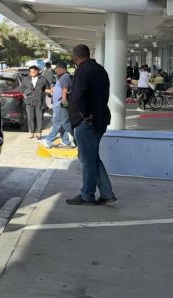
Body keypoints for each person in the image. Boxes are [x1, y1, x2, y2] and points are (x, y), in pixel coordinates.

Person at [65, 44, 116, 206]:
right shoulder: (100, 69)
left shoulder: (82, 70)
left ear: (75, 58)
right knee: (93, 158)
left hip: (87, 122)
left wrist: (84, 115)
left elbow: (78, 96)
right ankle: (107, 193)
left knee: (87, 160)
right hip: (100, 119)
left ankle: (87, 195)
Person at [43, 62, 74, 149]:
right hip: (57, 102)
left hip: (60, 103)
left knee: (57, 122)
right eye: (56, 69)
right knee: (60, 123)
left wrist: (64, 100)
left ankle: (49, 140)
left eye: (60, 69)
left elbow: (65, 89)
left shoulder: (65, 76)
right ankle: (66, 141)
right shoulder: (60, 77)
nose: (57, 70)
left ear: (64, 69)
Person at [21, 65, 50, 139]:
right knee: (30, 117)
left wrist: (51, 93)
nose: (31, 73)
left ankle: (39, 132)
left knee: (39, 117)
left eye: (33, 72)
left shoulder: (43, 79)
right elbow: (21, 89)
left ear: (37, 71)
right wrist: (24, 94)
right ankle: (31, 132)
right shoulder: (25, 79)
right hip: (29, 100)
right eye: (30, 72)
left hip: (39, 100)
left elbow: (47, 88)